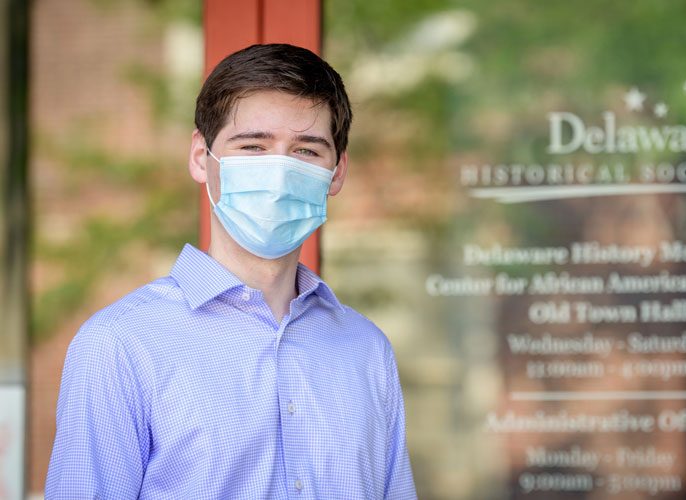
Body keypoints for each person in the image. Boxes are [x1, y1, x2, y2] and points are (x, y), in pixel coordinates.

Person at [45, 43, 417, 499]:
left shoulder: (367, 350)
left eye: (305, 150)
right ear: (202, 158)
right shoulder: (119, 346)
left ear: (336, 172)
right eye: (253, 146)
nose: (279, 172)